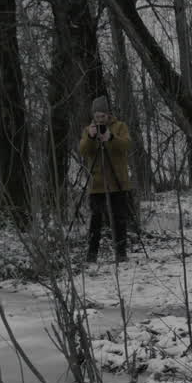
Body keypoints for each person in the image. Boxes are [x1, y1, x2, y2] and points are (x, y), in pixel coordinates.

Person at [79, 95, 133, 263]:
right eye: (97, 116)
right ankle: (92, 254)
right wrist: (90, 136)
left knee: (119, 219)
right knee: (96, 220)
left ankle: (121, 253)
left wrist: (111, 137)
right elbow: (83, 150)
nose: (100, 119)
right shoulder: (89, 129)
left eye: (102, 116)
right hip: (97, 183)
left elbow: (127, 145)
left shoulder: (120, 127)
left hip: (118, 182)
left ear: (108, 114)